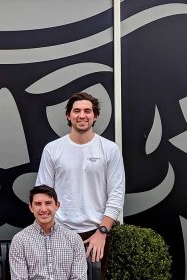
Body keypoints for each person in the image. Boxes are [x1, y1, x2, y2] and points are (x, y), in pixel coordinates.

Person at [35, 92, 125, 263]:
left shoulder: (110, 149)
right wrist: (49, 231)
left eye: (87, 111)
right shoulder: (52, 149)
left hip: (97, 233)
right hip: (59, 231)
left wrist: (102, 232)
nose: (82, 115)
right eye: (76, 111)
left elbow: (116, 194)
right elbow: (42, 194)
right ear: (68, 115)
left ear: (95, 116)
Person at [10, 185, 88, 280]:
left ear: (57, 206)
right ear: (31, 207)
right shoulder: (20, 240)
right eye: (38, 204)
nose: (43, 209)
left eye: (48, 203)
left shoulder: (73, 239)